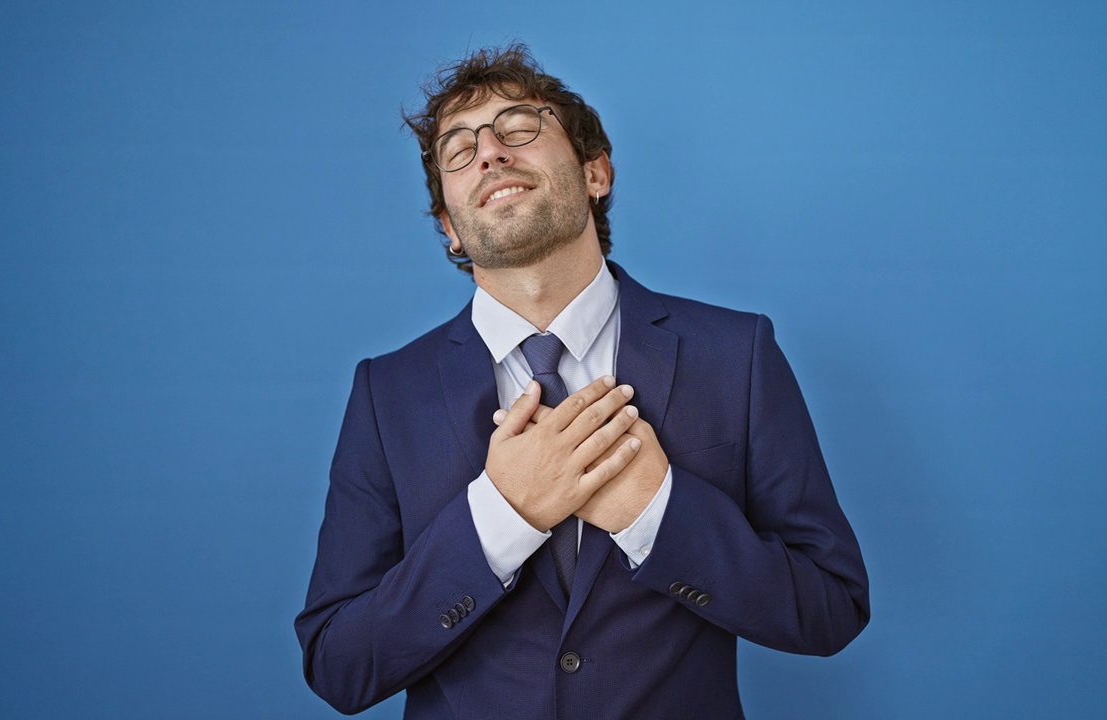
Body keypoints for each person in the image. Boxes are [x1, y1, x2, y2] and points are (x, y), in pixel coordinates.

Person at [295, 43, 869, 719]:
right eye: (459, 148)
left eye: (519, 129)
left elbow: (833, 607)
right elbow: (338, 665)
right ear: (450, 228)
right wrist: (502, 518)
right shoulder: (385, 395)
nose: (490, 152)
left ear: (596, 172)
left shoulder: (735, 354)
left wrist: (657, 515)